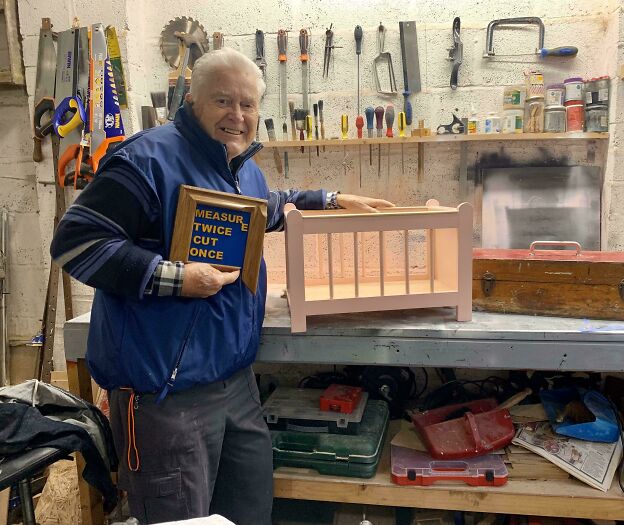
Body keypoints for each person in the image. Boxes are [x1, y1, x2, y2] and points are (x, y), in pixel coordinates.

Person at [50, 47, 393, 525]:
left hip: (236, 385)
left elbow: (264, 208)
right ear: (193, 100)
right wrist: (177, 279)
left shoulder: (240, 168)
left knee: (249, 510)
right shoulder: (144, 161)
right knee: (181, 520)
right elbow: (74, 243)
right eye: (223, 101)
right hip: (165, 396)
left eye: (248, 104)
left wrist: (330, 199)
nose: (237, 115)